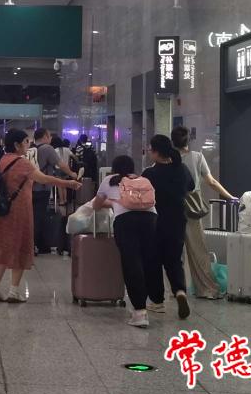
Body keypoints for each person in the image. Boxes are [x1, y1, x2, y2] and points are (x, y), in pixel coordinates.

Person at [0, 129, 82, 303]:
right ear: (17, 145)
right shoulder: (22, 163)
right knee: (20, 246)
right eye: (25, 141)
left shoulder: (2, 161)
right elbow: (44, 179)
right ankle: (14, 291)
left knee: (3, 246)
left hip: (1, 211)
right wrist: (68, 183)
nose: (28, 144)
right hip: (19, 211)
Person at [93, 155, 158, 328]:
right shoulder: (141, 179)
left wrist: (113, 202)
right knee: (147, 262)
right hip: (150, 220)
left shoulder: (109, 180)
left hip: (125, 222)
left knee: (132, 264)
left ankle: (140, 312)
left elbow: (96, 205)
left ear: (114, 168)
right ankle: (149, 302)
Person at [171, 126, 236, 299]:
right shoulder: (197, 157)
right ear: (188, 140)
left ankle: (178, 290)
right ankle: (207, 289)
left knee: (175, 253)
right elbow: (211, 182)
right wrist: (230, 197)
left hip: (172, 208)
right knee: (198, 250)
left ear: (172, 142)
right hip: (192, 208)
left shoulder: (168, 159)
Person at [142, 134, 195, 319]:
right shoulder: (182, 169)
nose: (150, 152)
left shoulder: (149, 174)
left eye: (151, 150)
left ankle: (157, 302)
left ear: (157, 152)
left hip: (155, 221)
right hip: (177, 220)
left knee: (154, 260)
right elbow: (191, 187)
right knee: (174, 260)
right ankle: (180, 291)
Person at [31, 128, 79, 255]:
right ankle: (33, 245)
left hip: (30, 188)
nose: (51, 138)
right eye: (49, 136)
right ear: (45, 136)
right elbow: (60, 164)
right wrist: (72, 174)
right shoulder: (47, 148)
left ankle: (39, 245)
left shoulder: (31, 149)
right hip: (42, 188)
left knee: (34, 216)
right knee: (39, 218)